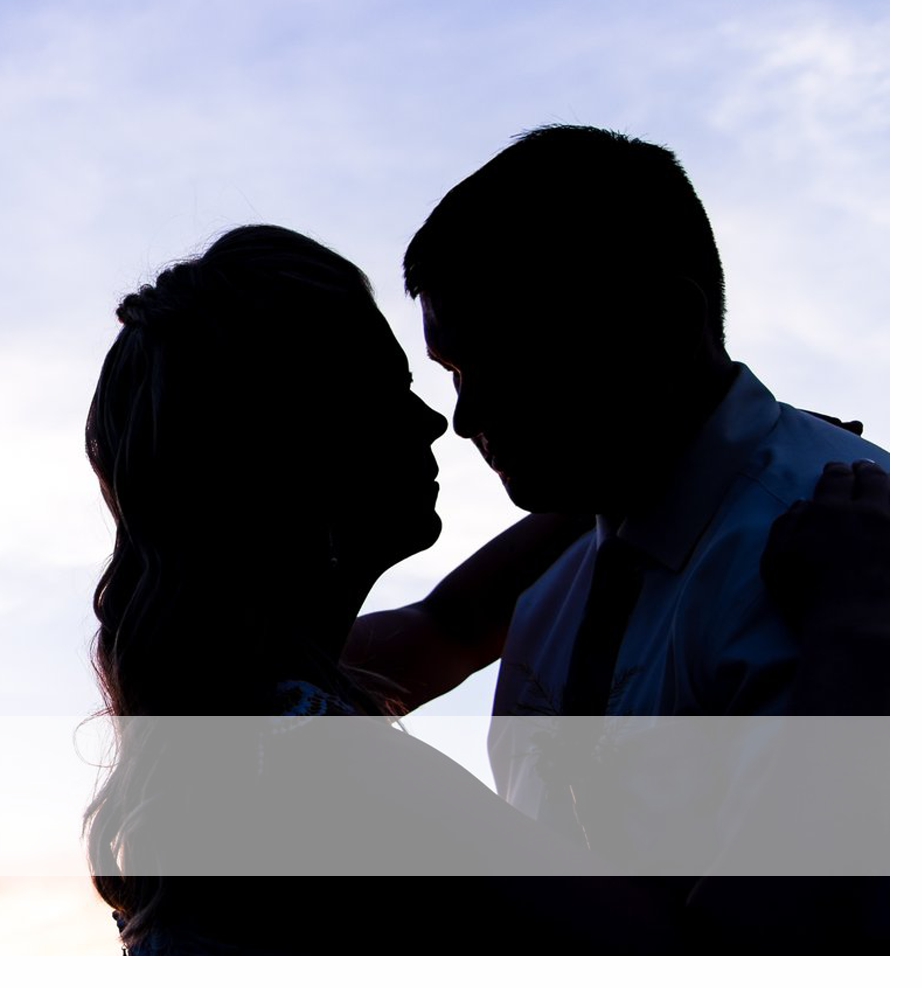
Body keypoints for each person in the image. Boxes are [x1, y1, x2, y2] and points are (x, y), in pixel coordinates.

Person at [342, 125, 889, 950]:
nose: (460, 418)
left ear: (664, 326)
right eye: (454, 371)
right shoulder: (552, 587)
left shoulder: (851, 562)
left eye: (498, 361)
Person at [81, 224, 675, 953]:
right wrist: (850, 624)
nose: (435, 422)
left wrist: (657, 465)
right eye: (389, 391)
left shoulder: (242, 706)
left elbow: (452, 624)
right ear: (302, 448)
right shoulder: (342, 779)